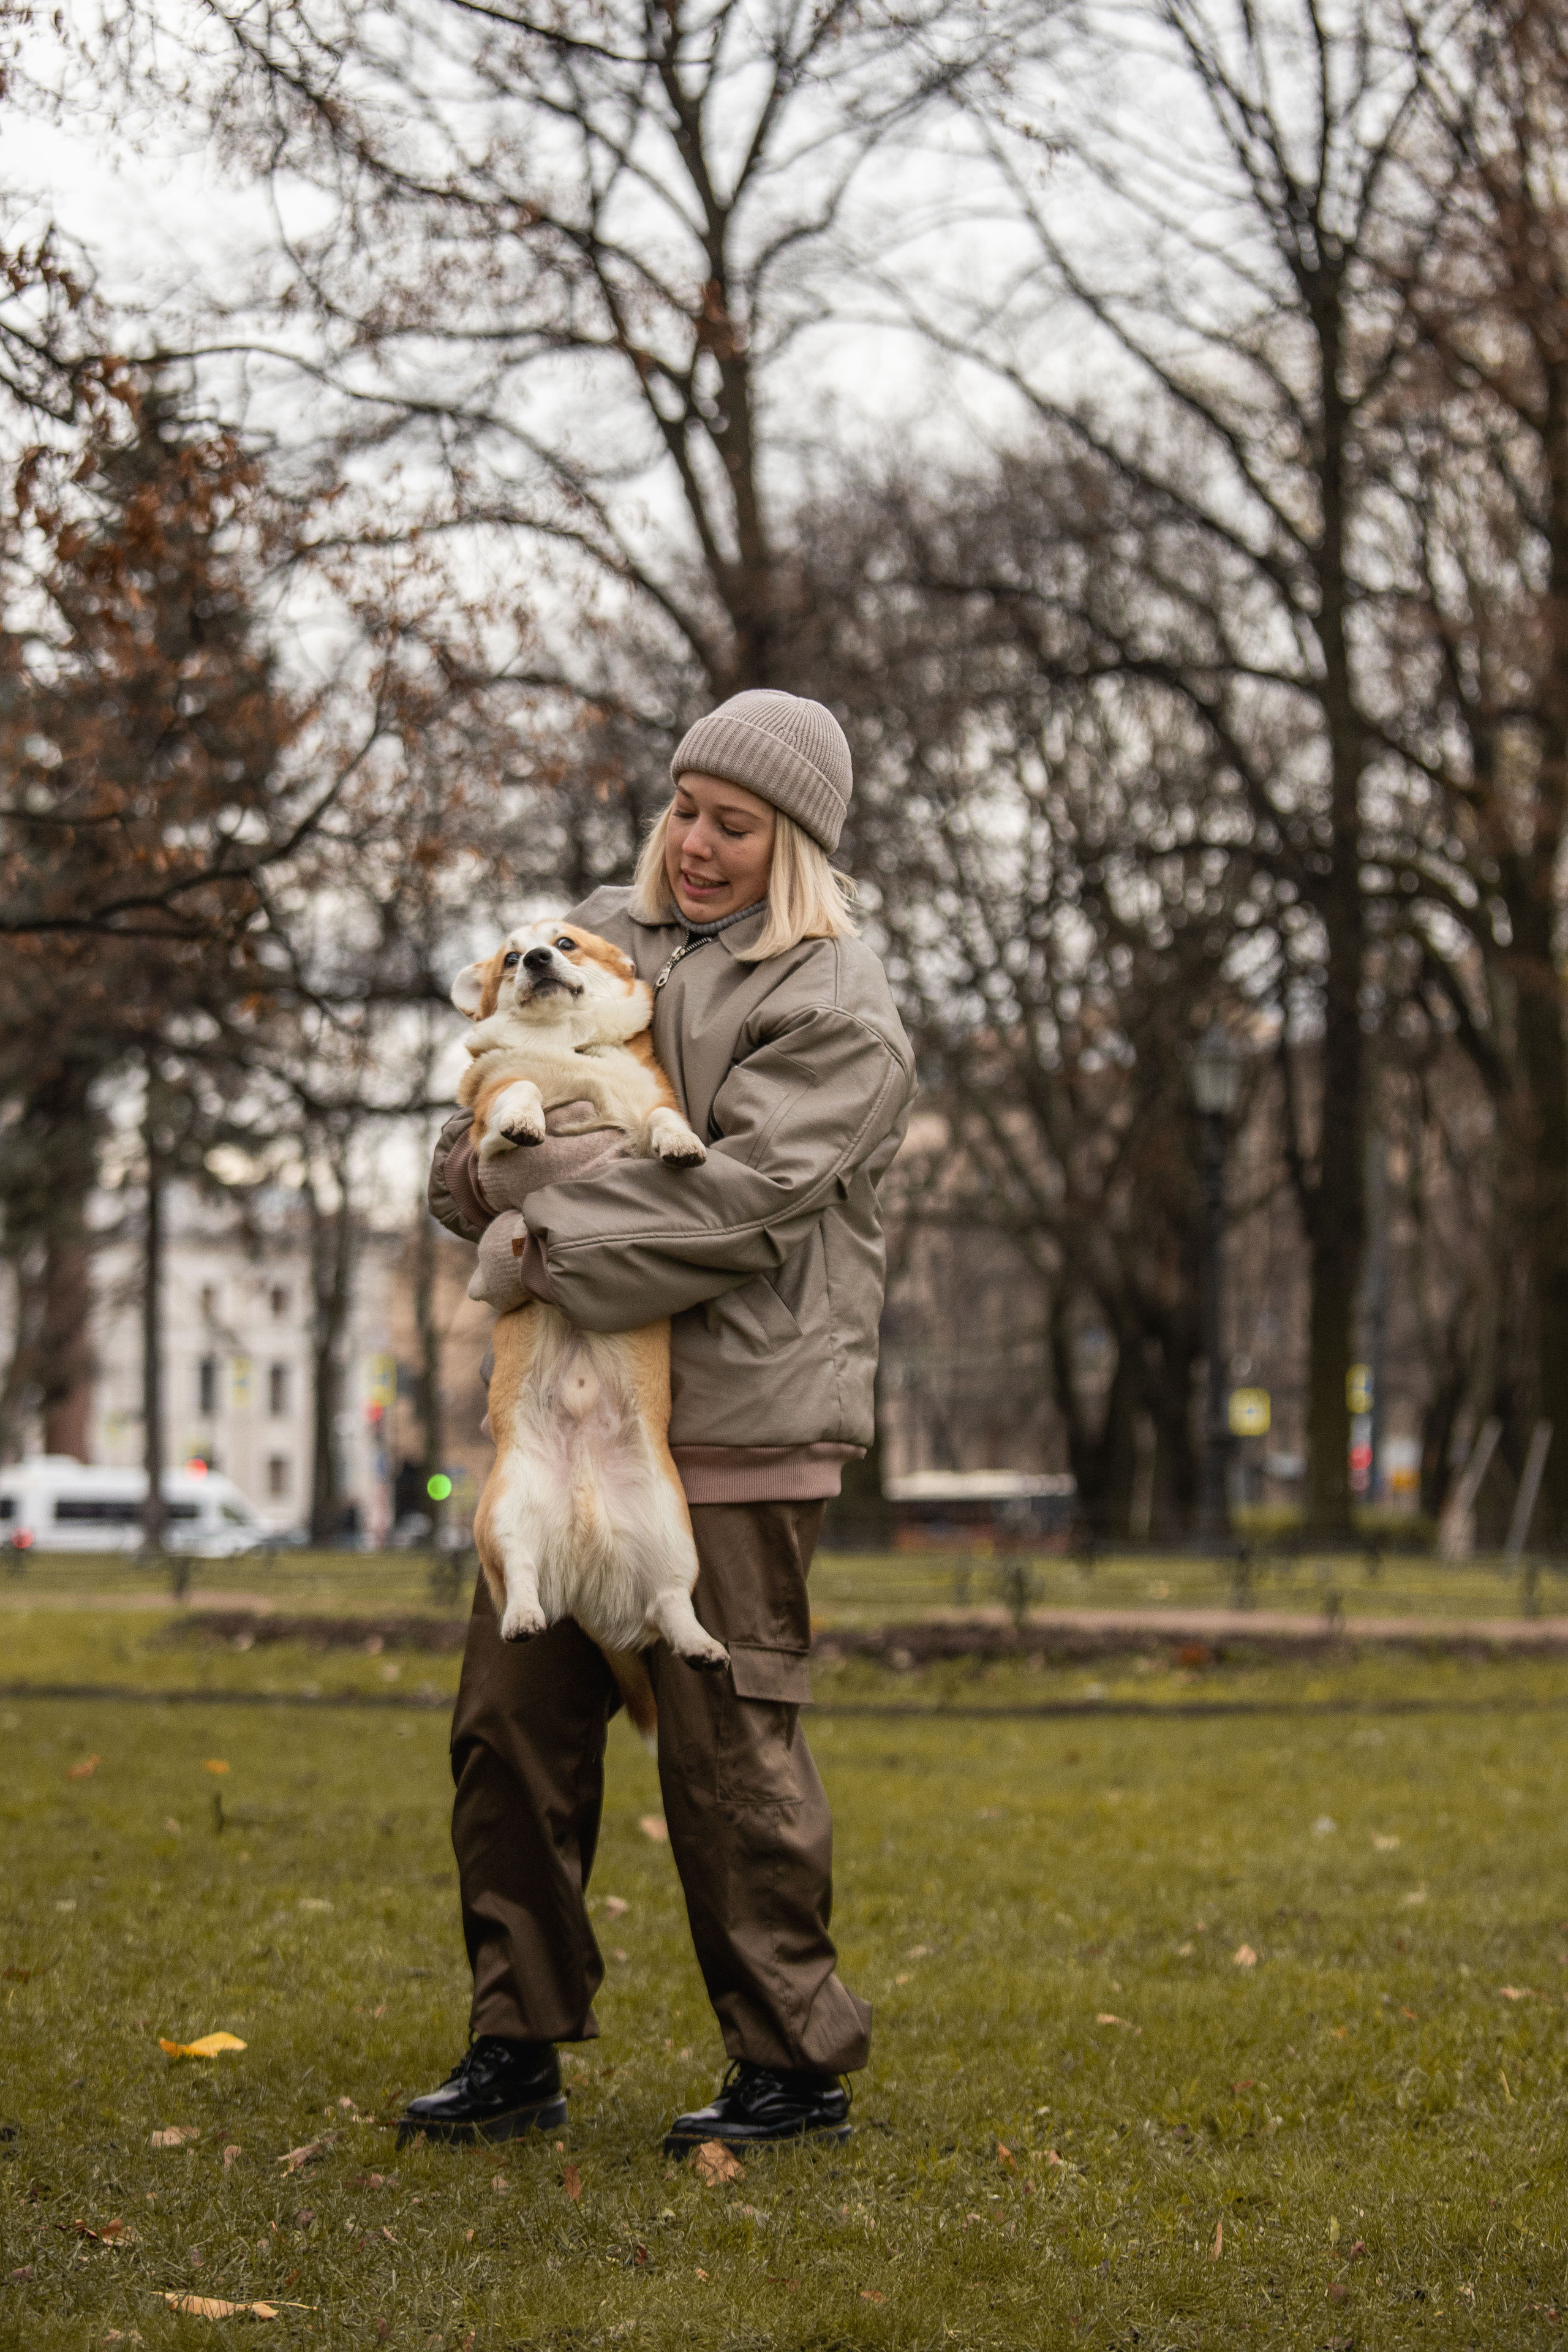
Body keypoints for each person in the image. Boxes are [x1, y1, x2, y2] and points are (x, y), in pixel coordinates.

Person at [401, 688, 918, 2155]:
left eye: (733, 825)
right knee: (507, 1724)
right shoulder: (592, 937)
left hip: (739, 1415)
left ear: (794, 845)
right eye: (685, 809)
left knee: (726, 1745)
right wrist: (486, 1186)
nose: (694, 844)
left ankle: (790, 2067)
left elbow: (742, 1200)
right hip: (570, 1401)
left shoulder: (832, 999)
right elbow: (463, 1136)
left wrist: (533, 1230)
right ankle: (516, 2042)